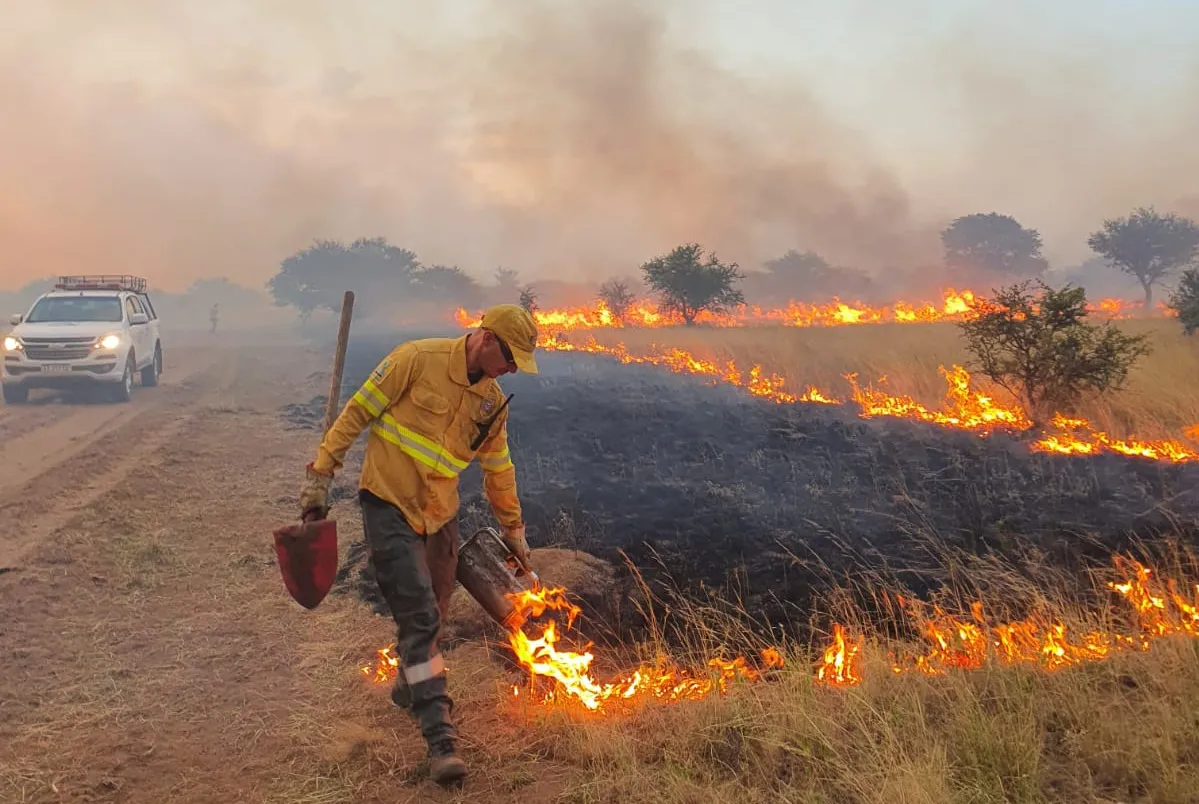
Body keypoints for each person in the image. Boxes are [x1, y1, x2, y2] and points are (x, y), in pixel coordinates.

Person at [297, 303, 538, 787]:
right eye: (510, 359)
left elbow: (498, 470)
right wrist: (320, 479)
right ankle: (441, 741)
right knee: (421, 617)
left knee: (435, 613)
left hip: (439, 513)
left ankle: (411, 683)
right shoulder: (415, 358)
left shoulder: (491, 402)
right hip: (388, 502)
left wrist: (514, 531)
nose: (511, 371)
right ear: (486, 339)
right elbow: (354, 415)